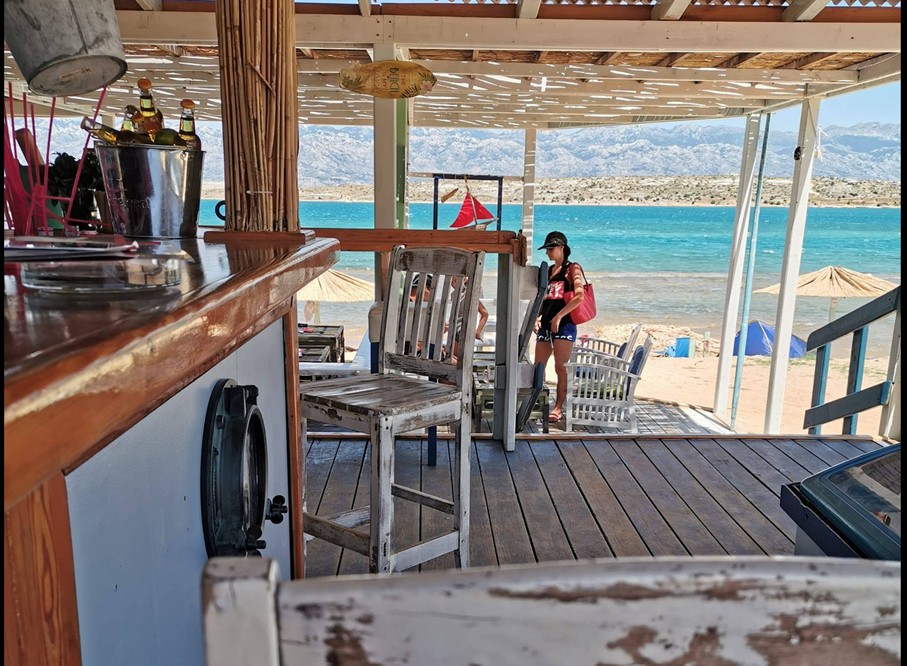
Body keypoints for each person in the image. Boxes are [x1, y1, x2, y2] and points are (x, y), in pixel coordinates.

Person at [534, 230, 585, 424]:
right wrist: (536, 317)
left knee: (560, 367)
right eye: (546, 249)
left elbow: (579, 296)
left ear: (561, 248)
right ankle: (538, 402)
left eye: (551, 248)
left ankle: (558, 407)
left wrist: (559, 316)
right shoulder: (548, 271)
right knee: (538, 367)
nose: (548, 252)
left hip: (564, 325)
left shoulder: (572, 269)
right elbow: (543, 299)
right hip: (546, 324)